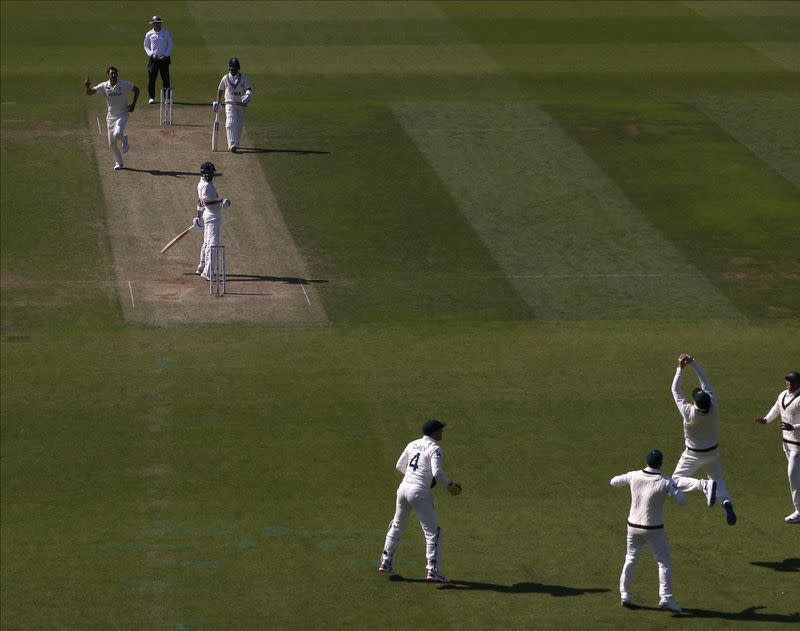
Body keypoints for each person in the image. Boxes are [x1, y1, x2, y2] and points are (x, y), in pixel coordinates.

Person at [378, 419, 461, 583]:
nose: (442, 432)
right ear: (434, 432)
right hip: (420, 492)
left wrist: (414, 477)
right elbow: (437, 472)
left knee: (397, 525)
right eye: (440, 430)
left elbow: (399, 465)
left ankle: (386, 562)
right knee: (433, 533)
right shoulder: (435, 448)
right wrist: (450, 485)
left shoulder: (412, 444)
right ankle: (433, 571)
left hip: (403, 489)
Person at [610, 449, 685, 612]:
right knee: (663, 563)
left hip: (633, 527)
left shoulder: (634, 475)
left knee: (630, 559)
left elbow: (613, 481)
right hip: (654, 529)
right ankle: (666, 598)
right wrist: (671, 492)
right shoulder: (666, 481)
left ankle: (625, 595)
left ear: (647, 462)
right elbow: (681, 500)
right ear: (661, 463)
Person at [670, 353, 736, 525]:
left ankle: (703, 486)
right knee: (718, 479)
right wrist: (694, 363)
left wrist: (680, 368)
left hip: (692, 454)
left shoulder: (688, 412)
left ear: (696, 403)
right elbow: (705, 381)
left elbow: (675, 390)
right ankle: (726, 502)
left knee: (675, 481)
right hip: (713, 452)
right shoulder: (713, 405)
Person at [754, 371, 800, 523]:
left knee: (792, 477)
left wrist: (793, 427)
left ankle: (799, 511)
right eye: (788, 381)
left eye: (792, 381)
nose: (789, 383)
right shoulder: (782, 395)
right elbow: (777, 408)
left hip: (798, 448)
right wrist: (766, 419)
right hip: (786, 444)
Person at [85, 67, 139, 170]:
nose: (114, 75)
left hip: (123, 114)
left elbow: (137, 90)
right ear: (108, 75)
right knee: (112, 143)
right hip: (110, 118)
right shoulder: (104, 86)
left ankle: (124, 140)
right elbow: (90, 93)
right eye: (112, 74)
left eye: (115, 73)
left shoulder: (123, 84)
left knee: (117, 133)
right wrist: (87, 87)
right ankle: (119, 163)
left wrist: (133, 105)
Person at [195, 162, 230, 280]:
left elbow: (200, 202)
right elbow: (205, 201)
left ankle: (202, 266)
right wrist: (220, 200)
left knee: (206, 242)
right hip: (213, 217)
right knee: (213, 244)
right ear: (204, 173)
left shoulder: (203, 183)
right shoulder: (205, 185)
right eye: (209, 172)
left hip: (208, 215)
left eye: (212, 172)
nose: (211, 174)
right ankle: (207, 272)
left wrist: (198, 216)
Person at [213, 58, 252, 153]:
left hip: (241, 105)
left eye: (235, 69)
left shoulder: (243, 78)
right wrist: (218, 101)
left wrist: (248, 95)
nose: (233, 71)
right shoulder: (225, 78)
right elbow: (220, 89)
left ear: (238, 69)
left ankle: (236, 143)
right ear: (229, 69)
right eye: (232, 69)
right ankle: (231, 144)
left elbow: (249, 89)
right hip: (230, 104)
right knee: (230, 122)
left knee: (239, 125)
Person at [143, 16, 173, 105]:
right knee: (152, 79)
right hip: (153, 59)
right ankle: (151, 97)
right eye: (156, 23)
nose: (158, 24)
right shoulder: (149, 34)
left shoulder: (166, 33)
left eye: (159, 23)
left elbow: (170, 45)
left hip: (164, 59)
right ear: (153, 24)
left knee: (166, 79)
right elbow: (146, 46)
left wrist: (165, 55)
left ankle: (166, 98)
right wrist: (151, 54)